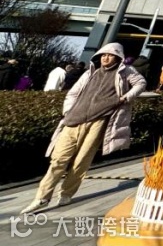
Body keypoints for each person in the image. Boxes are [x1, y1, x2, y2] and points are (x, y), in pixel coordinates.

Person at [21, 43, 147, 214]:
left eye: (110, 55)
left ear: (118, 57)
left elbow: (141, 83)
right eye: (103, 55)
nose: (106, 58)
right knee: (58, 159)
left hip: (99, 120)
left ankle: (66, 193)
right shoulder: (90, 72)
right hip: (73, 120)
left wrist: (127, 97)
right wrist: (68, 111)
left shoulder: (126, 71)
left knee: (82, 160)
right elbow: (73, 93)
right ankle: (42, 198)